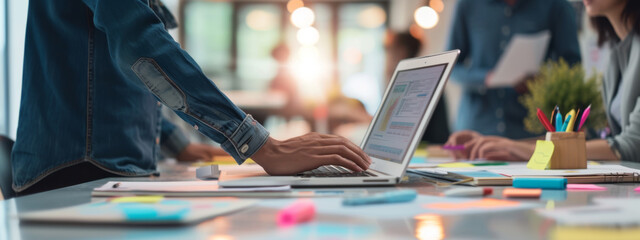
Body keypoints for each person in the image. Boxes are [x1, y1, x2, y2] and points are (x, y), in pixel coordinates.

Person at [11, 0, 370, 195]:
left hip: (102, 167)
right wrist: (260, 145)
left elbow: (119, 74)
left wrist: (176, 143)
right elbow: (141, 47)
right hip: (78, 173)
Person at [445, 0, 640, 162]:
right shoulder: (617, 55)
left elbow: (631, 144)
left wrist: (519, 149)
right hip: (479, 121)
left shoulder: (555, 6)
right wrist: (503, 145)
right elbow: (604, 138)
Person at [448, 0, 581, 139]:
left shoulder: (556, 6)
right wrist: (485, 78)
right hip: (475, 129)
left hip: (530, 133)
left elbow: (572, 67)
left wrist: (542, 81)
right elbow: (452, 67)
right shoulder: (467, 4)